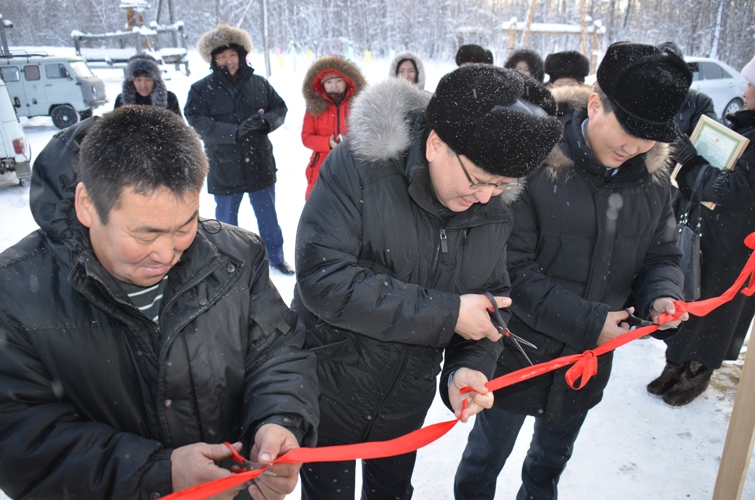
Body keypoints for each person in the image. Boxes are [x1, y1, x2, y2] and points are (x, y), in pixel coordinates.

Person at [0, 105, 319, 499]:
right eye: (146, 234)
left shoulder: (236, 257)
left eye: (185, 226)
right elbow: (20, 442)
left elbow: (277, 353)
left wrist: (279, 421)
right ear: (86, 205)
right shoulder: (13, 295)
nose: (166, 253)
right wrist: (158, 474)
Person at [293, 66, 564, 499]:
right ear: (436, 144)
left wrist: (468, 366)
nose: (486, 196)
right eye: (478, 180)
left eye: (502, 185)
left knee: (393, 491)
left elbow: (489, 303)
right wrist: (449, 314)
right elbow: (323, 278)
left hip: (405, 398)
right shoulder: (362, 165)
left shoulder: (492, 208)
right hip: (331, 386)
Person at [453, 41, 691, 500]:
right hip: (515, 352)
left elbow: (662, 254)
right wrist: (589, 322)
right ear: (596, 104)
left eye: (651, 135)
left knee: (547, 466)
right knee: (485, 457)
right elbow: (509, 270)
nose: (637, 145)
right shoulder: (534, 164)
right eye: (630, 128)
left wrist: (663, 294)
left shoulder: (653, 179)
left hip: (586, 363)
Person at [647, 54, 755, 406]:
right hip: (713, 229)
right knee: (692, 293)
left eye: (752, 84)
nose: (746, 89)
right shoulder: (745, 122)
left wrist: (690, 160)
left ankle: (700, 368)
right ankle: (676, 361)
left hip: (738, 241)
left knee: (720, 306)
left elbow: (731, 189)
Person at [185, 24, 294, 275]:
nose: (228, 61)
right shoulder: (201, 89)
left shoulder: (258, 83)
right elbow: (197, 121)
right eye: (221, 57)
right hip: (224, 165)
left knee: (268, 219)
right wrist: (233, 132)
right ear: (213, 60)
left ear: (241, 55)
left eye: (232, 55)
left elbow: (280, 109)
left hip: (259, 162)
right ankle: (226, 262)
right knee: (225, 222)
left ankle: (276, 258)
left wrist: (266, 121)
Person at [301, 55, 366, 199]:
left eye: (338, 80)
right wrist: (326, 143)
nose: (334, 86)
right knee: (319, 207)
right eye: (329, 81)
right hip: (321, 165)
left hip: (352, 163)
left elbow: (369, 132)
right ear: (322, 84)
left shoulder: (359, 104)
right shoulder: (314, 108)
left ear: (347, 82)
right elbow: (306, 138)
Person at [656, 41, 717, 136]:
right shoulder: (638, 97)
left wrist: (681, 145)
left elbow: (708, 145)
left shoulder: (700, 102)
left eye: (671, 68)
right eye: (658, 69)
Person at [114, 53, 182, 116]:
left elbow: (180, 127)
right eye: (138, 80)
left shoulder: (170, 98)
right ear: (131, 82)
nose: (143, 85)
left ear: (155, 81)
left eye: (148, 80)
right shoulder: (121, 100)